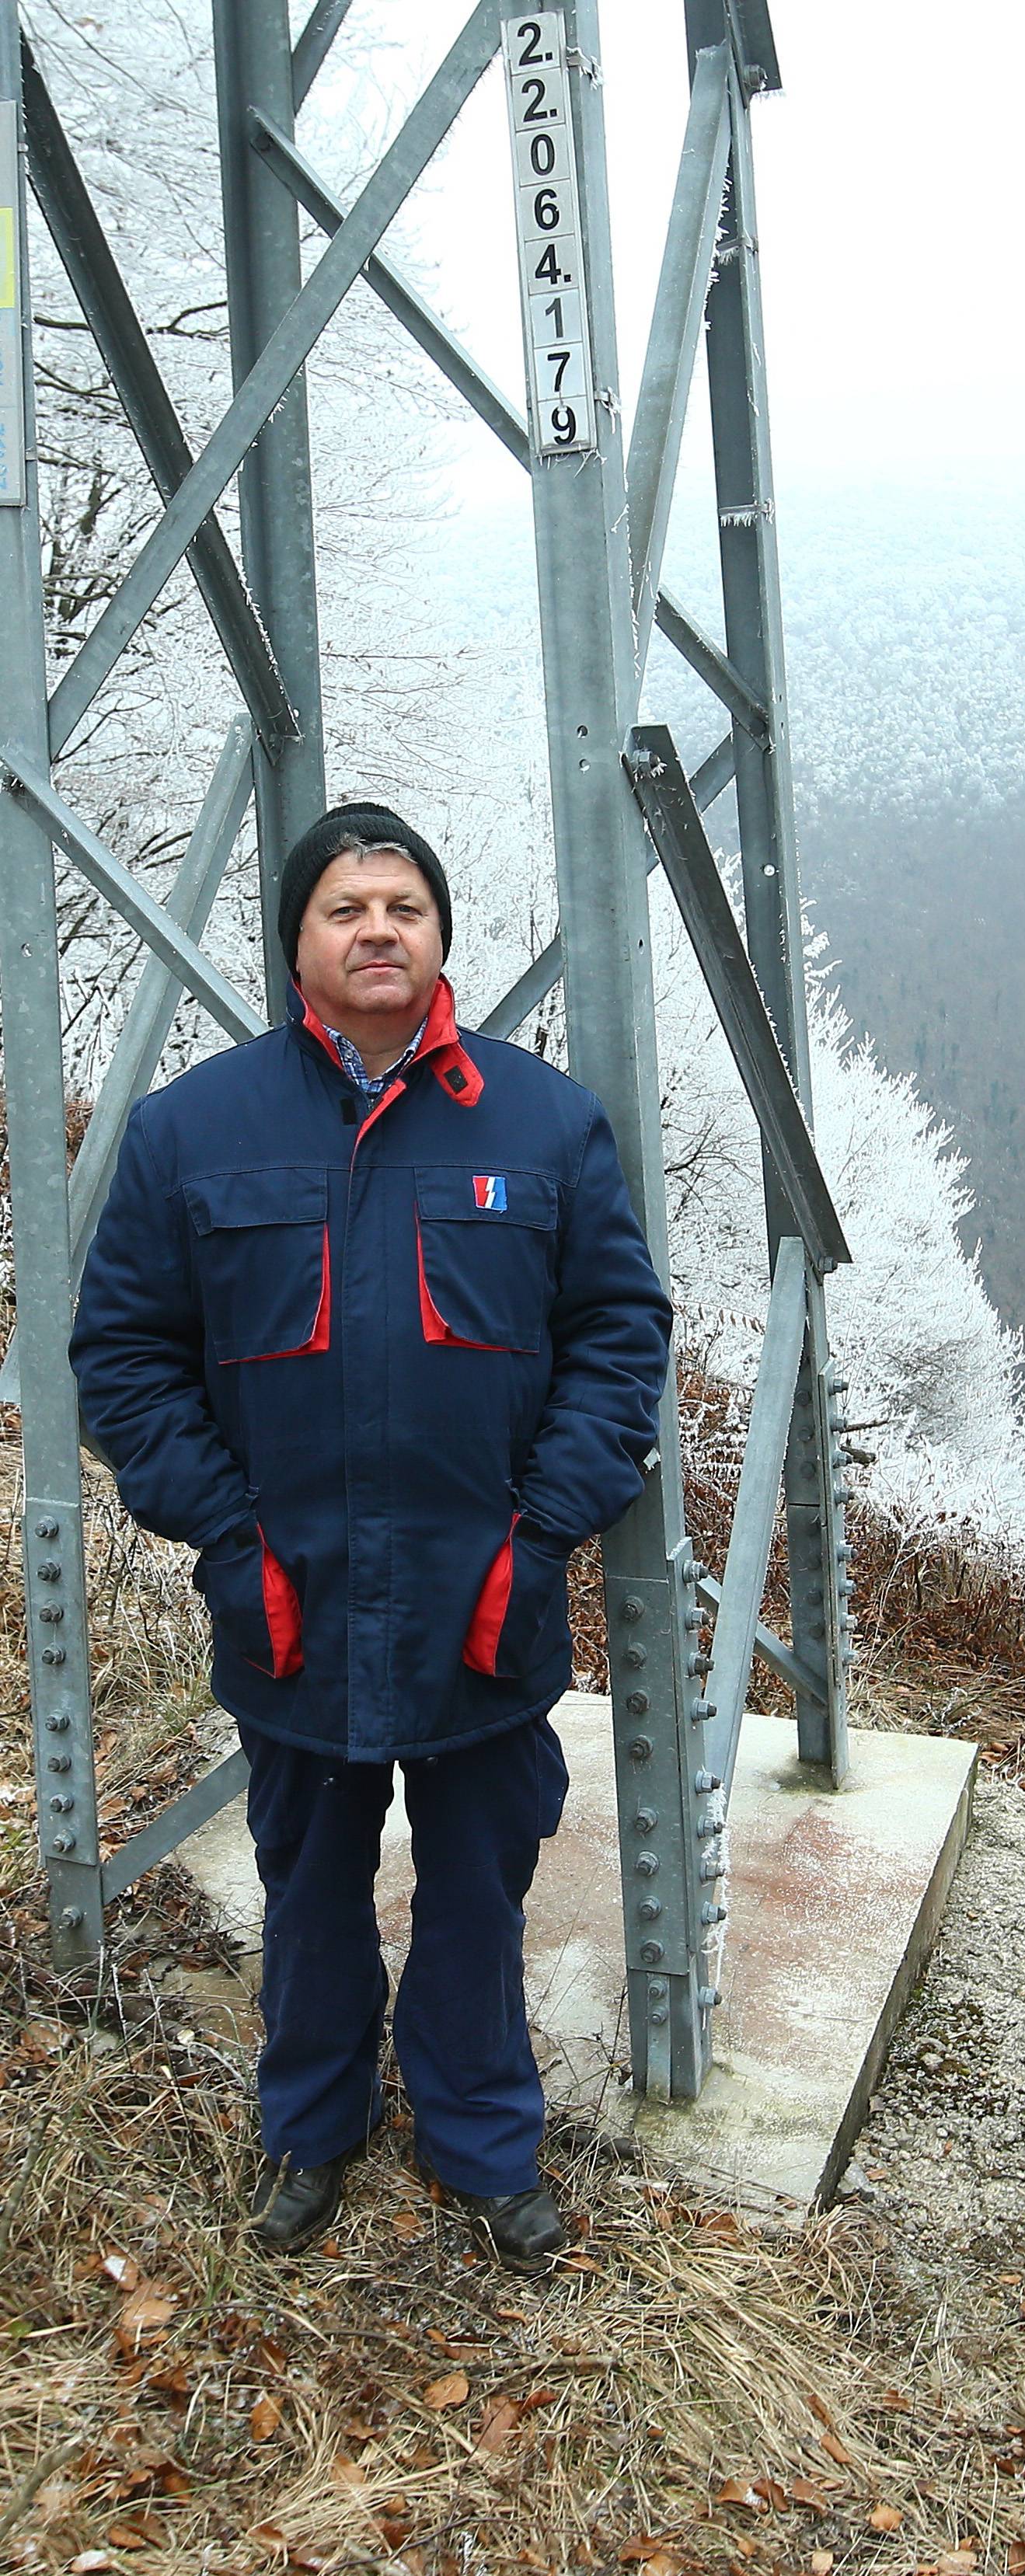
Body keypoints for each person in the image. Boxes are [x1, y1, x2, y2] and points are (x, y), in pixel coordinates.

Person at [71, 803, 671, 2266]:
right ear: (298, 946)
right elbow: (125, 1361)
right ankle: (313, 2133)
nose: (379, 930)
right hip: (293, 1601)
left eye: (404, 905)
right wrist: (225, 1538)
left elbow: (617, 1335)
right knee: (311, 1884)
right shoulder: (192, 1131)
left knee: (481, 1884)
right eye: (347, 908)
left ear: (442, 935)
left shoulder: (541, 1121)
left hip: (487, 1599)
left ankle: (480, 2139)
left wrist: (539, 1537)